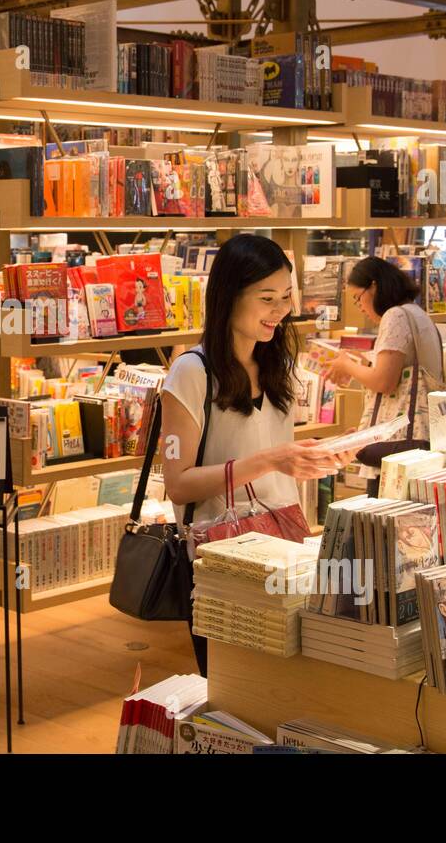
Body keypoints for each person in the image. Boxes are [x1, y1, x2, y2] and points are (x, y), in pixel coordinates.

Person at [161, 235, 356, 675]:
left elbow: (277, 463)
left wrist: (316, 458)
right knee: (233, 689)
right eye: (267, 298)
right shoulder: (192, 372)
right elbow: (177, 484)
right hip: (222, 559)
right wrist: (270, 460)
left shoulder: (277, 365)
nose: (280, 310)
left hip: (284, 543)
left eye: (286, 297)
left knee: (284, 685)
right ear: (228, 297)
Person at [327, 257, 445, 496]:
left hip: (400, 445)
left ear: (373, 287)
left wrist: (347, 365)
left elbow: (384, 382)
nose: (359, 307)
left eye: (358, 298)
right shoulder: (416, 313)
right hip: (422, 442)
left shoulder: (396, 316)